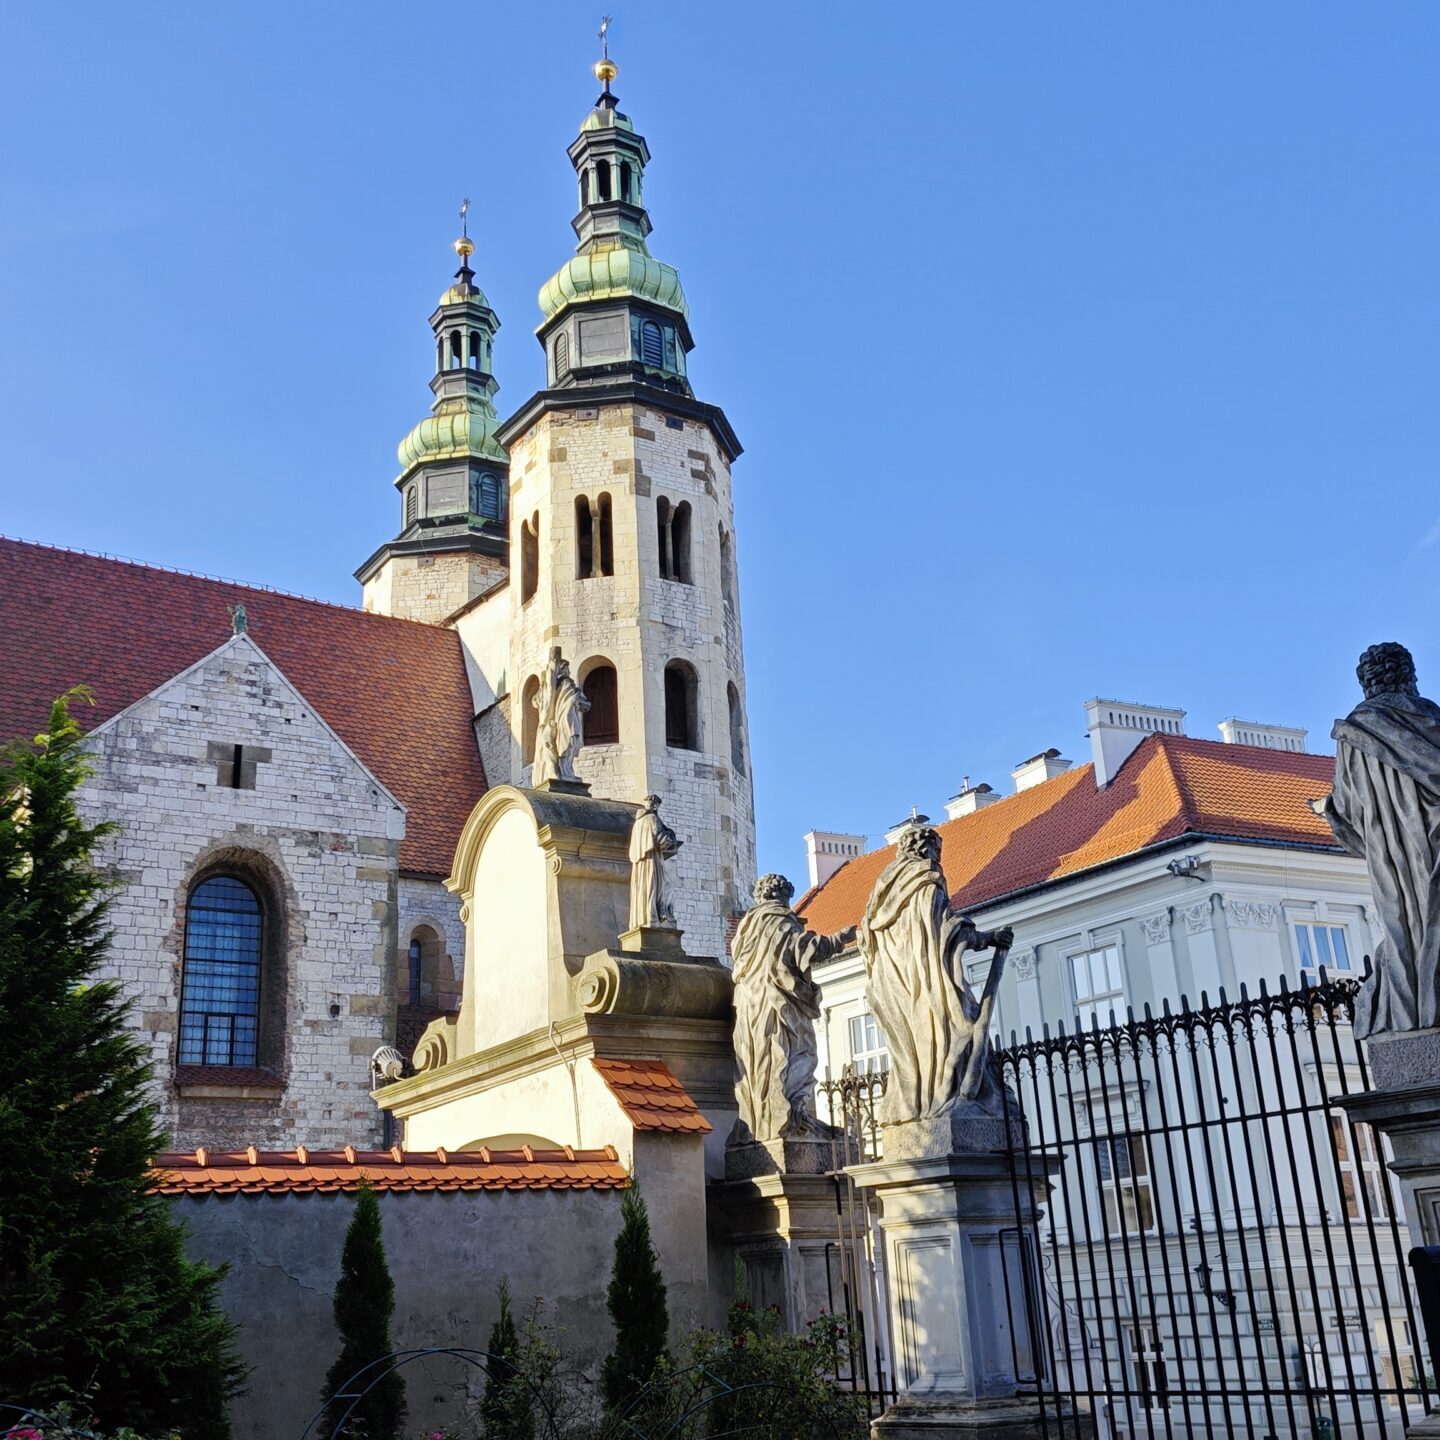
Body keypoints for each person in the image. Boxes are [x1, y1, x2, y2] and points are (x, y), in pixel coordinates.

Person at [1320, 642, 1440, 1037]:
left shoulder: (1353, 734)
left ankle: (1412, 1016)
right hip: (1433, 849)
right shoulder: (1429, 718)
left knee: (1402, 930)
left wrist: (1332, 812)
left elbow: (1348, 808)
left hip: (1387, 859)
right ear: (1408, 677)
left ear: (1367, 685)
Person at [859, 825, 1012, 1122]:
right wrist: (987, 938)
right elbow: (945, 930)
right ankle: (949, 1098)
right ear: (926, 849)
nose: (938, 857)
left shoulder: (881, 893)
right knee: (953, 1030)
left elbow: (868, 943)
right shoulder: (924, 880)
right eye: (937, 851)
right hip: (928, 981)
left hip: (895, 986)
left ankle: (919, 1105)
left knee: (913, 1051)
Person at [731, 874, 855, 1141]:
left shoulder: (746, 931)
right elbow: (802, 949)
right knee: (797, 1054)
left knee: (760, 1063)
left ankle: (764, 1124)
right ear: (783, 897)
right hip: (778, 1003)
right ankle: (791, 1121)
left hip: (749, 1006)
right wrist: (838, 940)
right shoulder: (778, 921)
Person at [532, 648, 589, 786]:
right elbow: (535, 701)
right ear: (561, 669)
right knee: (560, 745)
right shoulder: (554, 686)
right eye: (566, 669)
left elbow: (585, 703)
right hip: (557, 722)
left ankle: (564, 772)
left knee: (565, 744)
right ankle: (561, 772)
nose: (569, 672)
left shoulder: (567, 686)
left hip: (563, 720)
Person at [628, 794, 682, 930]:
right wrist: (670, 837)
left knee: (645, 888)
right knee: (662, 886)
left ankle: (645, 917)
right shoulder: (651, 818)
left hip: (643, 862)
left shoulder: (638, 823)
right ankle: (658, 916)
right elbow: (660, 837)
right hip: (653, 860)